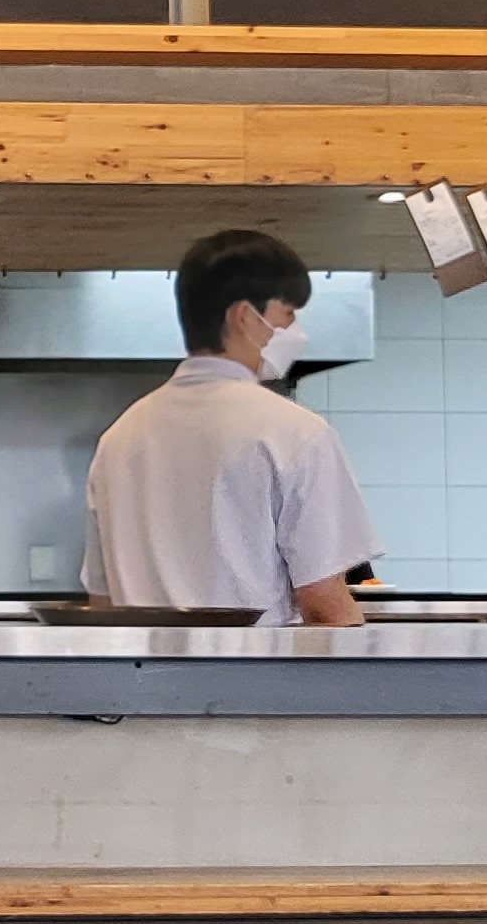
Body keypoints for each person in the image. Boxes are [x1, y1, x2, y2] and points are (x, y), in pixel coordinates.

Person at [82, 226, 378, 626]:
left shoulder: (118, 438)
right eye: (288, 314)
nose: (297, 332)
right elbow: (325, 609)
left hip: (140, 666)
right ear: (245, 317)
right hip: (253, 666)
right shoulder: (296, 433)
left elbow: (102, 602)